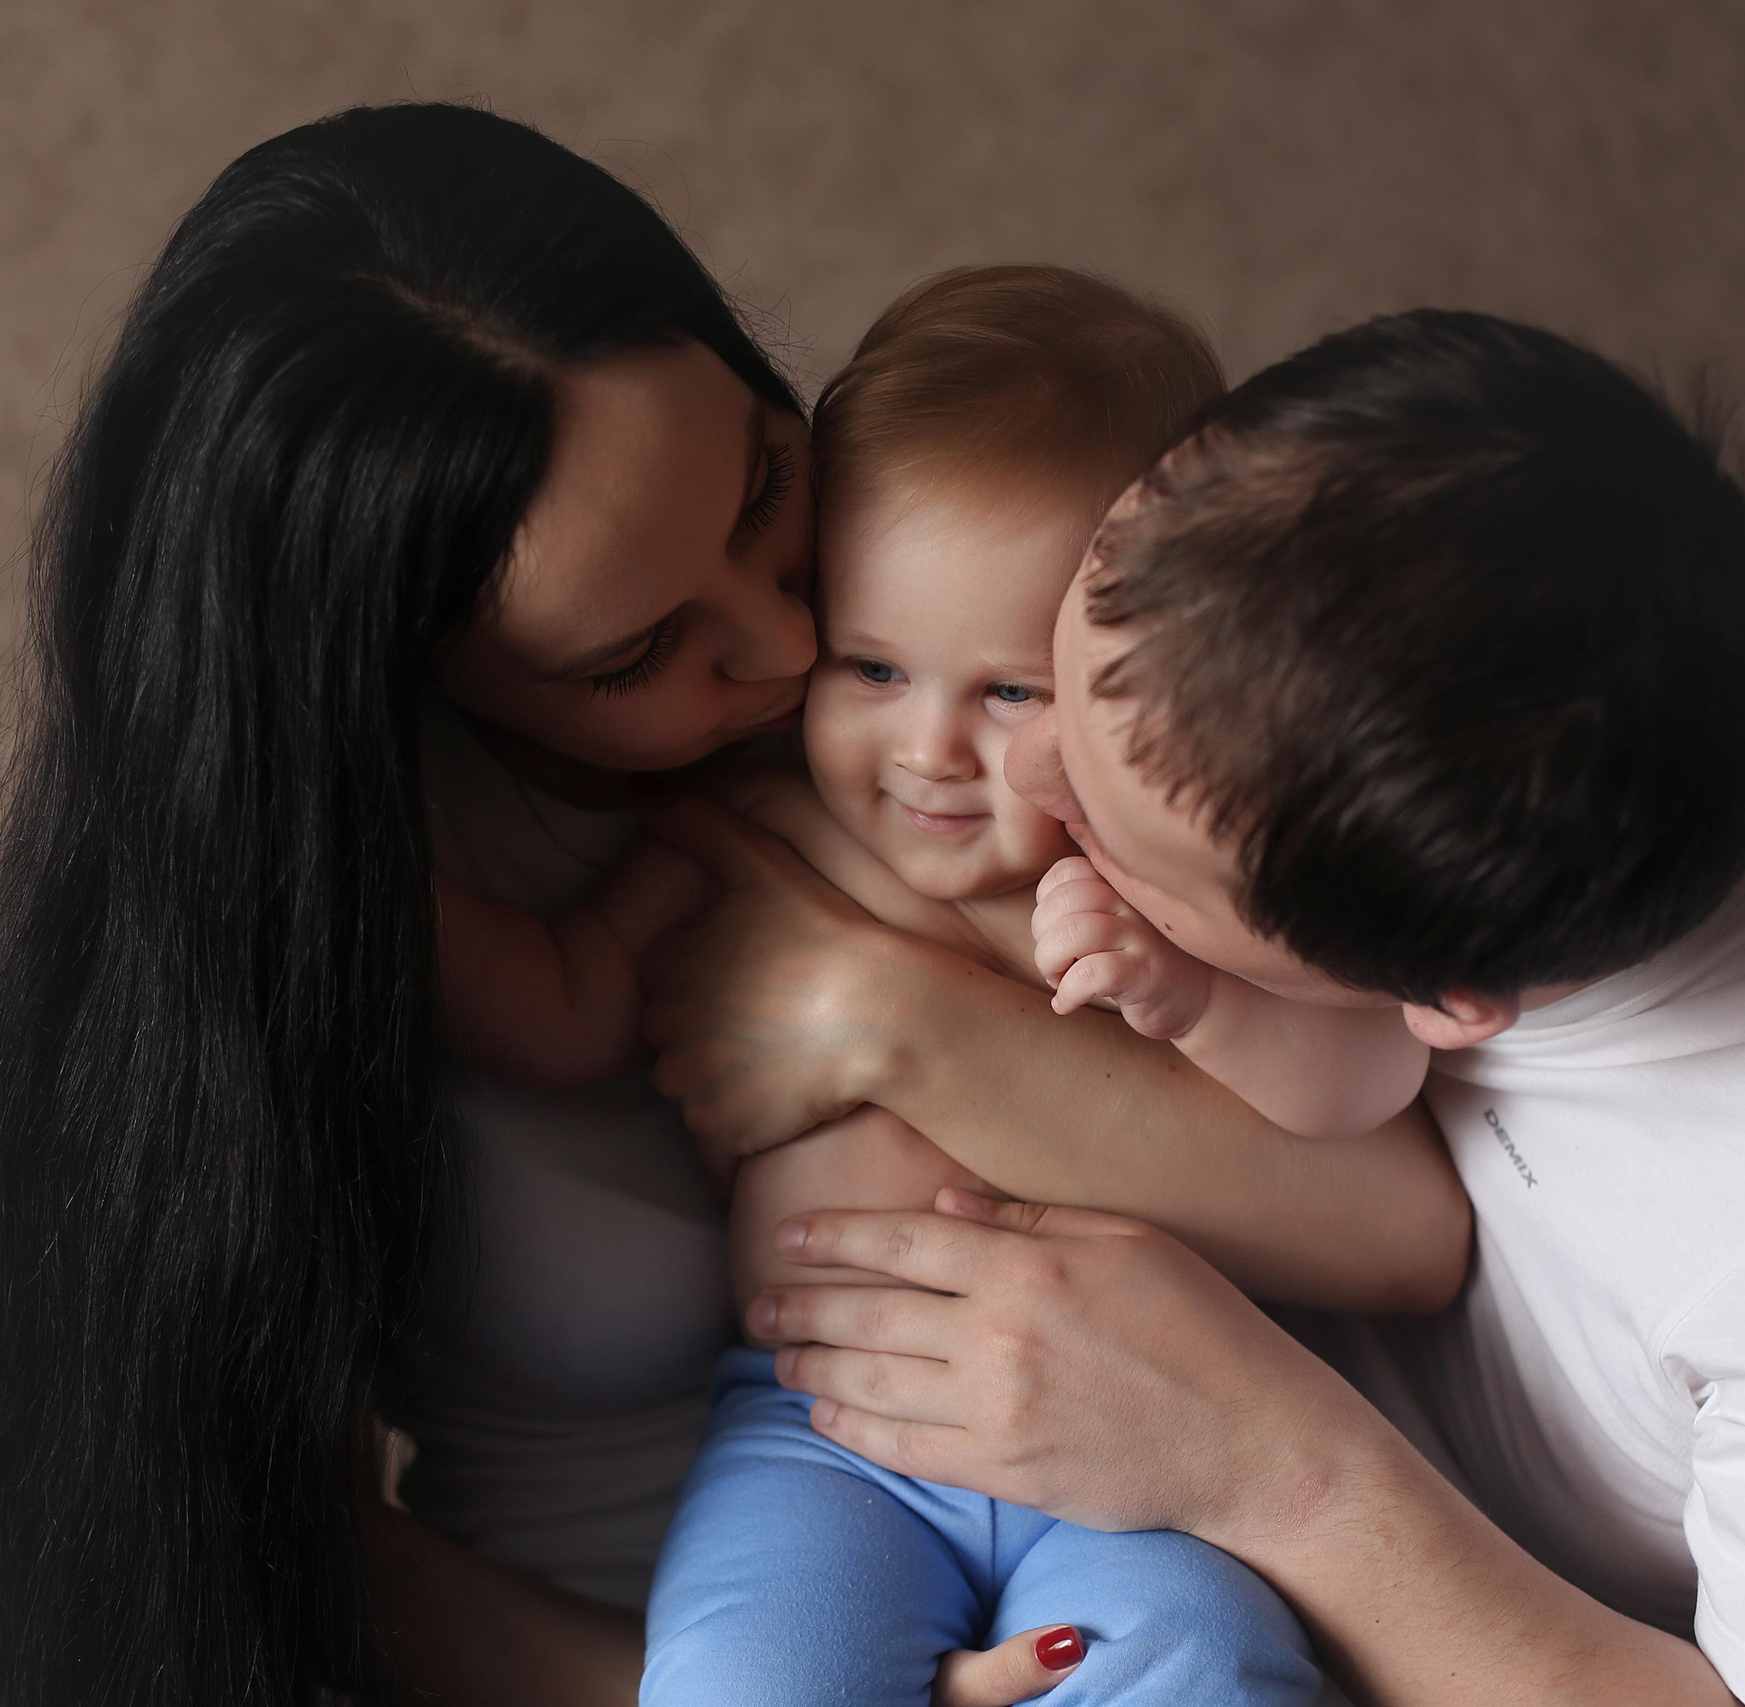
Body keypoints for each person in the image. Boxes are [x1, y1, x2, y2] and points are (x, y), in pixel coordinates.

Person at [643, 312, 1745, 1704]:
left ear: (1452, 1005)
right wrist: (888, 1004)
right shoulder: (1465, 569)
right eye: (1059, 671)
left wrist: (1266, 1469)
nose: (1017, 796)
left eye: (1119, 848)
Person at [0, 102, 1090, 1707]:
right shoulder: (344, 925)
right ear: (401, 675)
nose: (776, 647)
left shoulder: (955, 699)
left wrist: (890, 1019)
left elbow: (1391, 1218)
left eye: (767, 491)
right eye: (631, 656)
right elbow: (245, 1550)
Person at [631, 266, 1453, 1706]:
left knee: (1201, 1663)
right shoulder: (756, 825)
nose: (928, 747)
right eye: (870, 665)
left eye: (1012, 692)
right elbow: (570, 1000)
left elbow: (1368, 1093)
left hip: (1142, 1439)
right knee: (743, 1678)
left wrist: (1193, 1002)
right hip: (828, 1429)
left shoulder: (1171, 895)